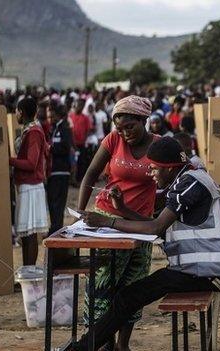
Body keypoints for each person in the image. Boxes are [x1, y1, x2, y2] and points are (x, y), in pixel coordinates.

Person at [69, 136, 220, 351]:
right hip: (200, 270)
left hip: (207, 273)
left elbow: (155, 228)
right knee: (127, 297)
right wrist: (124, 209)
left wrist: (108, 221)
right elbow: (158, 224)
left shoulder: (189, 185)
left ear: (169, 168)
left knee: (127, 297)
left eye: (155, 168)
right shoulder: (189, 179)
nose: (151, 173)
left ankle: (82, 348)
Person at [77, 95, 158, 351]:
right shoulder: (112, 140)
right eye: (119, 128)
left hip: (140, 225)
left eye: (130, 127)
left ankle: (123, 344)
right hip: (107, 218)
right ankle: (104, 342)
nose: (124, 133)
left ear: (144, 120)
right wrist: (80, 210)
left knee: (132, 286)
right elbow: (90, 174)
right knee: (103, 283)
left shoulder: (158, 146)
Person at [9, 97, 49, 266]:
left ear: (22, 112)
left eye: (17, 111)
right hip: (27, 186)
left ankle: (30, 270)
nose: (15, 114)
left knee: (31, 234)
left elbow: (31, 163)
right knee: (26, 234)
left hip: (31, 186)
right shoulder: (29, 130)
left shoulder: (33, 133)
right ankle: (27, 269)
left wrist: (9, 161)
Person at [46, 103, 73, 236]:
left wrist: (50, 148)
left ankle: (56, 229)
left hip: (61, 172)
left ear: (57, 115)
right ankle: (54, 228)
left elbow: (66, 147)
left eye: (51, 117)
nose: (50, 119)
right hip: (53, 172)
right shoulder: (54, 128)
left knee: (57, 203)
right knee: (52, 202)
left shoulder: (64, 128)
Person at [70, 99, 94, 181]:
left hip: (81, 144)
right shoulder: (70, 116)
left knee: (81, 162)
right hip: (72, 144)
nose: (79, 107)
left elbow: (88, 130)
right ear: (75, 105)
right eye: (78, 105)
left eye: (81, 106)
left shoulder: (85, 118)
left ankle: (79, 179)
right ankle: (72, 179)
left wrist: (84, 139)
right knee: (73, 163)